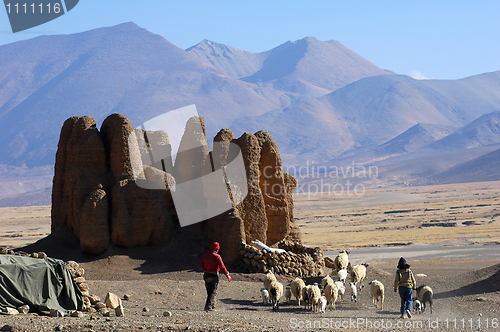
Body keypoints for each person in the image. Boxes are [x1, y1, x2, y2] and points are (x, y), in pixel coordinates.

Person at [199, 242, 232, 311]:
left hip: (206, 275)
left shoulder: (205, 256)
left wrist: (207, 268)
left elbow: (201, 265)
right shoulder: (217, 256)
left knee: (209, 292)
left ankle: (213, 306)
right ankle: (208, 306)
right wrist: (227, 275)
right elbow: (222, 267)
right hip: (213, 275)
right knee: (213, 292)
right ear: (217, 250)